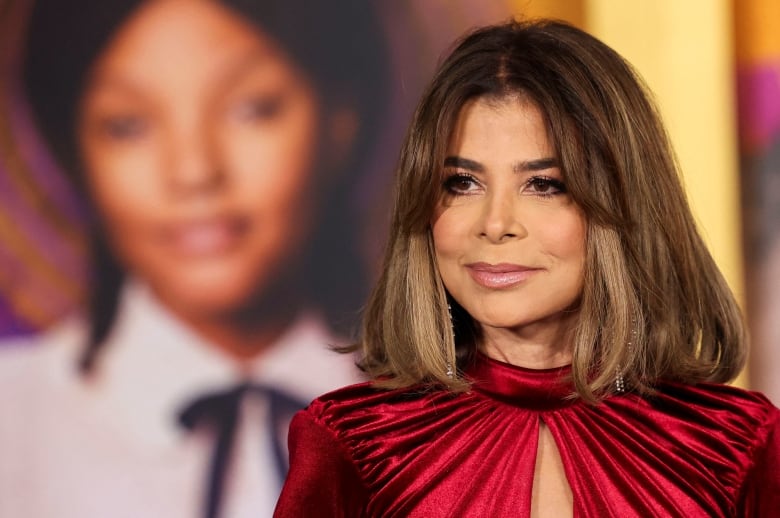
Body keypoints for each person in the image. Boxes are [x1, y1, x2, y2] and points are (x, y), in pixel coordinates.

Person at [274, 19, 780, 517]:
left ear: (625, 204)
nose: (495, 225)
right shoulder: (354, 446)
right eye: (461, 183)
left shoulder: (735, 448)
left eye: (543, 185)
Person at [0, 1, 388, 517]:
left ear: (341, 121)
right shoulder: (13, 422)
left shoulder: (457, 424)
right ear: (76, 152)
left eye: (252, 108)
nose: (193, 171)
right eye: (127, 125)